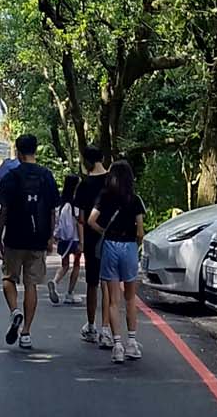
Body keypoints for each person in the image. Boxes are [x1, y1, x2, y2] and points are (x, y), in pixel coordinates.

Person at [0, 131, 60, 351]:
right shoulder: (46, 176)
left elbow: (4, 210)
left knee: (8, 278)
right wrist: (50, 236)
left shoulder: (11, 176)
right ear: (35, 150)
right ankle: (26, 334)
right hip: (38, 239)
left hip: (14, 237)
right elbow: (52, 210)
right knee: (31, 285)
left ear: (19, 152)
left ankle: (14, 311)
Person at [87, 157, 146, 364]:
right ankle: (132, 343)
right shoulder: (135, 199)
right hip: (129, 246)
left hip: (110, 245)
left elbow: (91, 220)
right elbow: (140, 231)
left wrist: (104, 231)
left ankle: (117, 345)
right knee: (130, 297)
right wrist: (135, 243)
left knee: (113, 299)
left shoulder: (105, 196)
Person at [71, 146, 108, 341]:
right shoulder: (114, 181)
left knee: (92, 283)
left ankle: (92, 325)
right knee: (109, 284)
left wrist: (82, 243)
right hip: (114, 237)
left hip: (93, 240)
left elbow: (81, 218)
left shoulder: (84, 185)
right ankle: (108, 329)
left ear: (87, 161)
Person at [49, 174, 82, 306]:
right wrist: (81, 241)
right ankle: (70, 293)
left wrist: (55, 236)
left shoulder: (62, 204)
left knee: (65, 265)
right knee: (77, 264)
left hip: (63, 239)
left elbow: (57, 221)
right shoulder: (75, 204)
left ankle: (55, 281)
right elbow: (80, 222)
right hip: (74, 238)